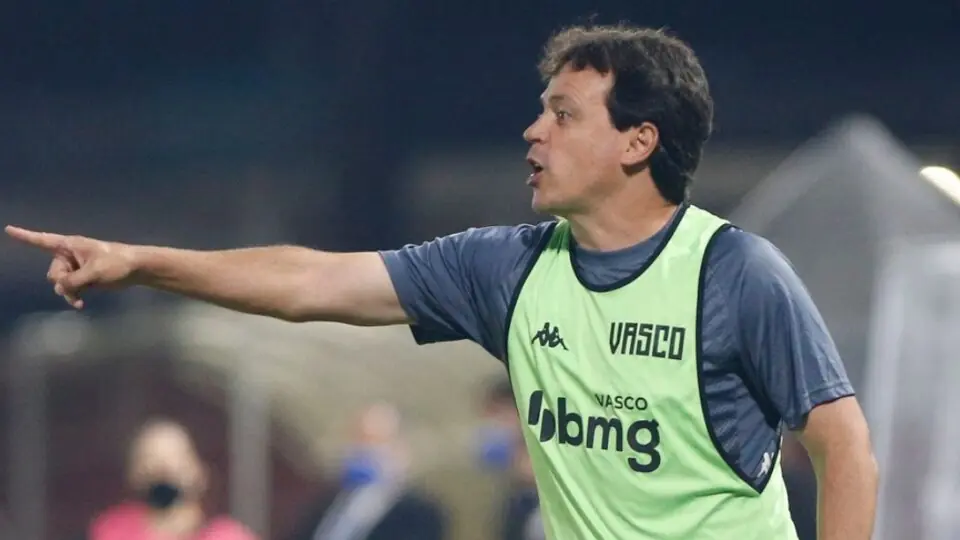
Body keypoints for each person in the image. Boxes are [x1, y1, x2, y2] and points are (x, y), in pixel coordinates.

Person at [6, 23, 877, 540]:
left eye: (563, 114)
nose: (533, 132)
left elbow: (845, 452)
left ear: (638, 141)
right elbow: (312, 282)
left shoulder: (734, 273)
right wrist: (144, 262)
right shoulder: (507, 267)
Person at [285, 402, 446, 540]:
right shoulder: (328, 500)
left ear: (400, 448)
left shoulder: (420, 513)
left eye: (375, 441)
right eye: (359, 439)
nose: (363, 449)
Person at [87, 419, 257, 540]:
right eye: (150, 459)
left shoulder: (230, 536)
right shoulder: (113, 530)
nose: (164, 467)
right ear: (134, 474)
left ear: (201, 472)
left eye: (175, 458)